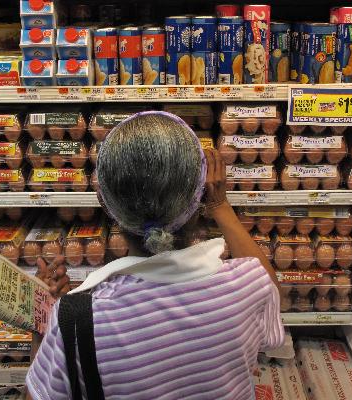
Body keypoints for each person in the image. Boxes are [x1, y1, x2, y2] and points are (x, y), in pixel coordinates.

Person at [28, 111, 283, 400]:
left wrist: (43, 324)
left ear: (105, 204)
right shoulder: (246, 285)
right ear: (201, 195)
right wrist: (220, 205)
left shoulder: (75, 320)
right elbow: (268, 286)